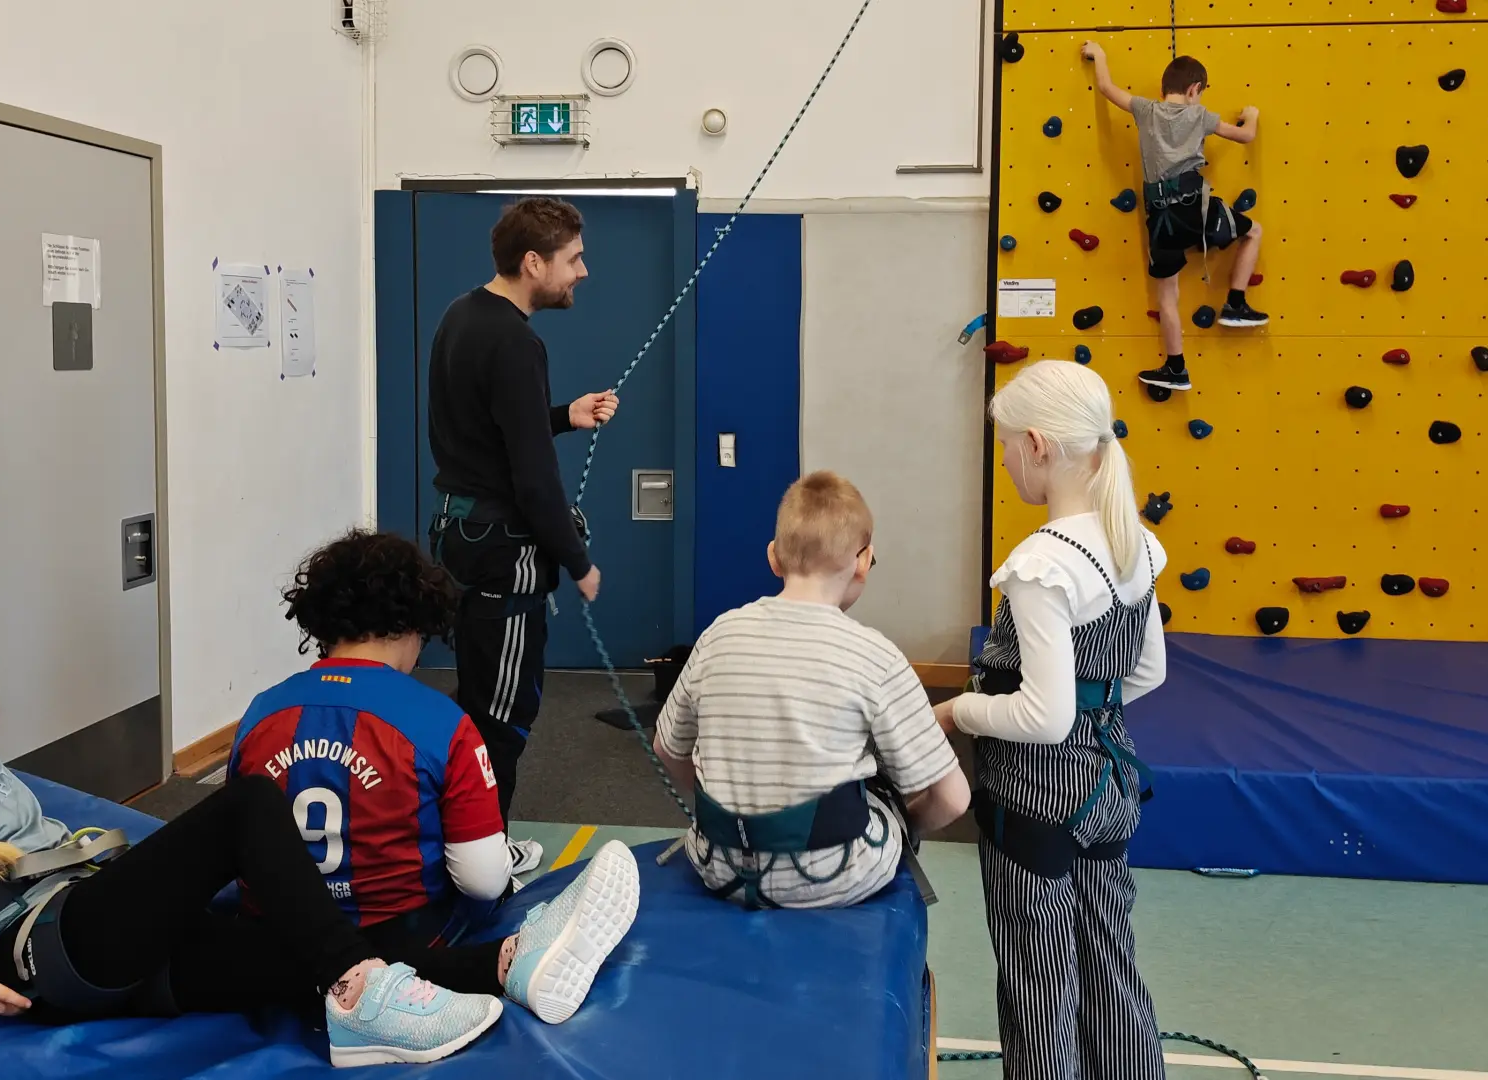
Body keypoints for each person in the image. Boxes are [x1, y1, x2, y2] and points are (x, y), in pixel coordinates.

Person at [0, 613, 544, 1066]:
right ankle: (360, 992)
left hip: (103, 934)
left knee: (299, 948)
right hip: (44, 952)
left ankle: (503, 964)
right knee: (246, 807)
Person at [231, 528, 641, 1023]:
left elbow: (241, 839)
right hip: (403, 940)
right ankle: (518, 952)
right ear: (413, 623)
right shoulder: (439, 721)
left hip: (278, 943)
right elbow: (483, 881)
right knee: (489, 886)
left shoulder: (260, 712)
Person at [934, 361, 1170, 1079]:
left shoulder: (1043, 563)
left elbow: (1044, 715)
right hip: (1109, 786)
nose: (1006, 461)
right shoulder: (1136, 542)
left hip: (1038, 797)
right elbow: (1146, 674)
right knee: (1111, 968)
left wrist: (957, 711)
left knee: (1039, 985)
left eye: (1007, 446)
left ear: (1036, 445)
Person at [652, 472, 971, 909]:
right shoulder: (876, 656)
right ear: (864, 561)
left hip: (719, 867)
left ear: (773, 557)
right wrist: (904, 824)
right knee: (881, 794)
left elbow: (667, 749)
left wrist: (737, 820)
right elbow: (952, 799)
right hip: (832, 877)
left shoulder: (717, 636)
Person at [427, 195, 620, 875]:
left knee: (478, 698)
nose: (582, 272)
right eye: (573, 259)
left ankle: (459, 839)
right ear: (533, 262)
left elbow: (493, 428)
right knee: (501, 716)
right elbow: (533, 478)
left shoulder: (462, 315)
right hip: (502, 552)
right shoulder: (516, 341)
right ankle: (483, 856)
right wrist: (577, 560)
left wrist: (564, 415)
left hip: (461, 534)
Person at [1083, 42, 1266, 393]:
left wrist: (1099, 54)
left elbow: (1106, 87)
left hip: (1160, 219)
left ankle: (1176, 368)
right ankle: (1236, 304)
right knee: (1253, 231)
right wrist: (1252, 114)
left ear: (1164, 87)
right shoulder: (1200, 116)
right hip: (1196, 211)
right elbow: (1246, 135)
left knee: (1168, 296)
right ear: (1195, 89)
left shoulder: (1145, 109)